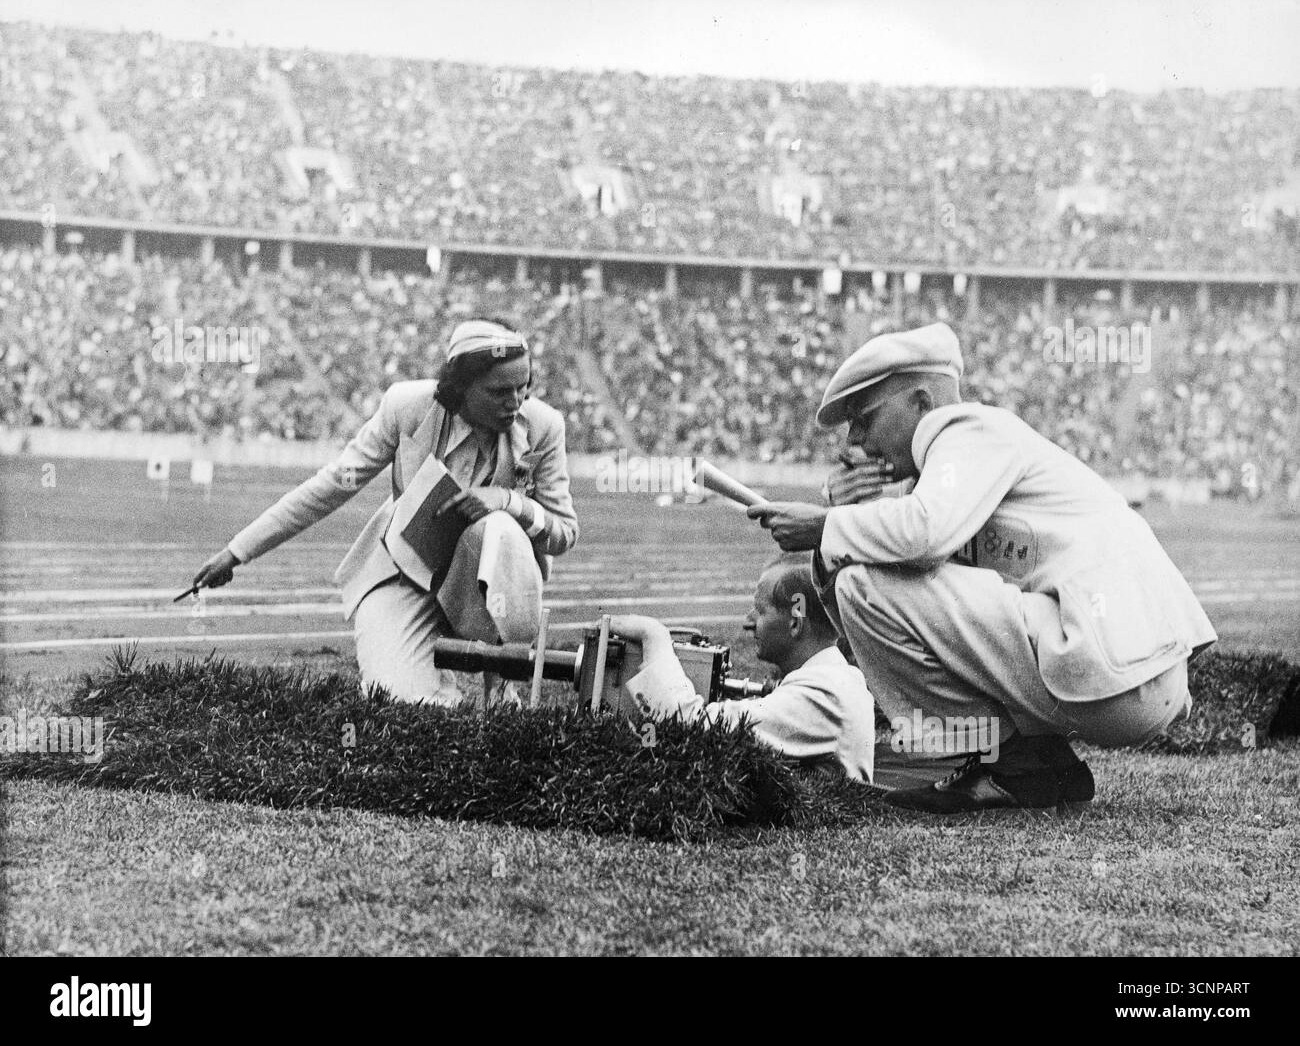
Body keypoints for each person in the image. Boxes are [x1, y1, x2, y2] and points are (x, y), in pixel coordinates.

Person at [747, 322, 1217, 812]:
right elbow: (870, 618)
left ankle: (1015, 761)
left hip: (1114, 666)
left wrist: (830, 525)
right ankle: (1028, 767)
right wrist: (842, 522)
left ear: (922, 403)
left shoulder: (968, 429)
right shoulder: (942, 476)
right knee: (865, 583)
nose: (854, 442)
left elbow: (921, 538)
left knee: (866, 585)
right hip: (1119, 675)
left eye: (865, 418)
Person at [191, 319, 579, 703]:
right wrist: (238, 551)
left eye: (523, 387)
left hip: (485, 587)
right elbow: (331, 486)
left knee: (498, 527)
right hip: (406, 571)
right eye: (499, 391)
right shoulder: (407, 407)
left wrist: (510, 502)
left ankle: (501, 682)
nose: (515, 402)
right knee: (397, 702)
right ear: (460, 387)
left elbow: (564, 533)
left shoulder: (543, 427)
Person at [609, 553, 877, 783]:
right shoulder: (834, 679)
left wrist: (654, 637)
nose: (749, 622)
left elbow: (691, 728)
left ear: (795, 623)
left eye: (759, 611)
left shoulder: (824, 694)